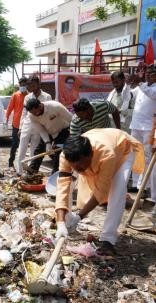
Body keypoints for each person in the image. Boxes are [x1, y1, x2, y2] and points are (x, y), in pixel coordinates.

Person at [55, 129, 144, 255]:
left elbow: (101, 192)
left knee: (117, 191)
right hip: (102, 139)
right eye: (75, 167)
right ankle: (66, 223)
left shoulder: (107, 154)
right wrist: (60, 222)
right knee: (68, 183)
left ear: (90, 154)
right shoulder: (65, 156)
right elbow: (62, 186)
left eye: (80, 166)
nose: (79, 170)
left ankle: (108, 239)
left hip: (122, 150)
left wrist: (80, 216)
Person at [25, 99, 72, 174]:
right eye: (32, 113)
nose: (35, 114)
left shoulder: (55, 106)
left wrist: (73, 133)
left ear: (40, 105)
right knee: (39, 150)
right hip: (48, 131)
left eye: (35, 111)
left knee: (58, 151)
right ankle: (32, 172)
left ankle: (56, 173)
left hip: (63, 129)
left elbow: (70, 119)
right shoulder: (31, 116)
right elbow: (41, 130)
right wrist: (47, 143)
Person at [16, 76, 52, 175]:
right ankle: (19, 172)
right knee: (21, 149)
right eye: (30, 86)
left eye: (33, 85)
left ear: (38, 84)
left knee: (34, 151)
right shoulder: (28, 97)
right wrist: (20, 127)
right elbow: (24, 113)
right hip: (27, 125)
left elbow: (48, 113)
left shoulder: (47, 97)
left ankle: (31, 172)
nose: (31, 88)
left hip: (39, 126)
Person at [129, 64, 156, 195]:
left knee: (146, 157)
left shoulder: (151, 88)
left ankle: (144, 186)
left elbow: (151, 94)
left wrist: (139, 82)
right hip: (136, 125)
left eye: (152, 73)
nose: (148, 75)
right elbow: (128, 95)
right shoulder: (142, 86)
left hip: (149, 127)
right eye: (147, 73)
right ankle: (135, 183)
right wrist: (129, 82)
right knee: (135, 155)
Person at [6, 77, 28, 168]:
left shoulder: (29, 96)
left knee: (24, 145)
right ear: (19, 85)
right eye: (21, 85)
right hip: (16, 124)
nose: (23, 86)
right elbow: (10, 108)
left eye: (24, 85)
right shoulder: (15, 95)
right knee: (14, 144)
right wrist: (6, 119)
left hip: (26, 125)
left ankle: (21, 163)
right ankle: (11, 161)